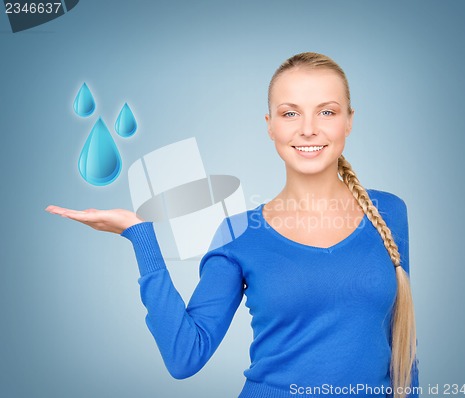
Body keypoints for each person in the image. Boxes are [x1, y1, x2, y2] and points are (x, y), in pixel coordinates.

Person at [46, 52, 419, 398]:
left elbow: (403, 348)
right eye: (290, 113)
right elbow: (185, 356)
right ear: (270, 125)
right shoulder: (238, 233)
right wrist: (140, 236)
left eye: (326, 112)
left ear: (349, 120)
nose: (308, 129)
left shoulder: (388, 212)